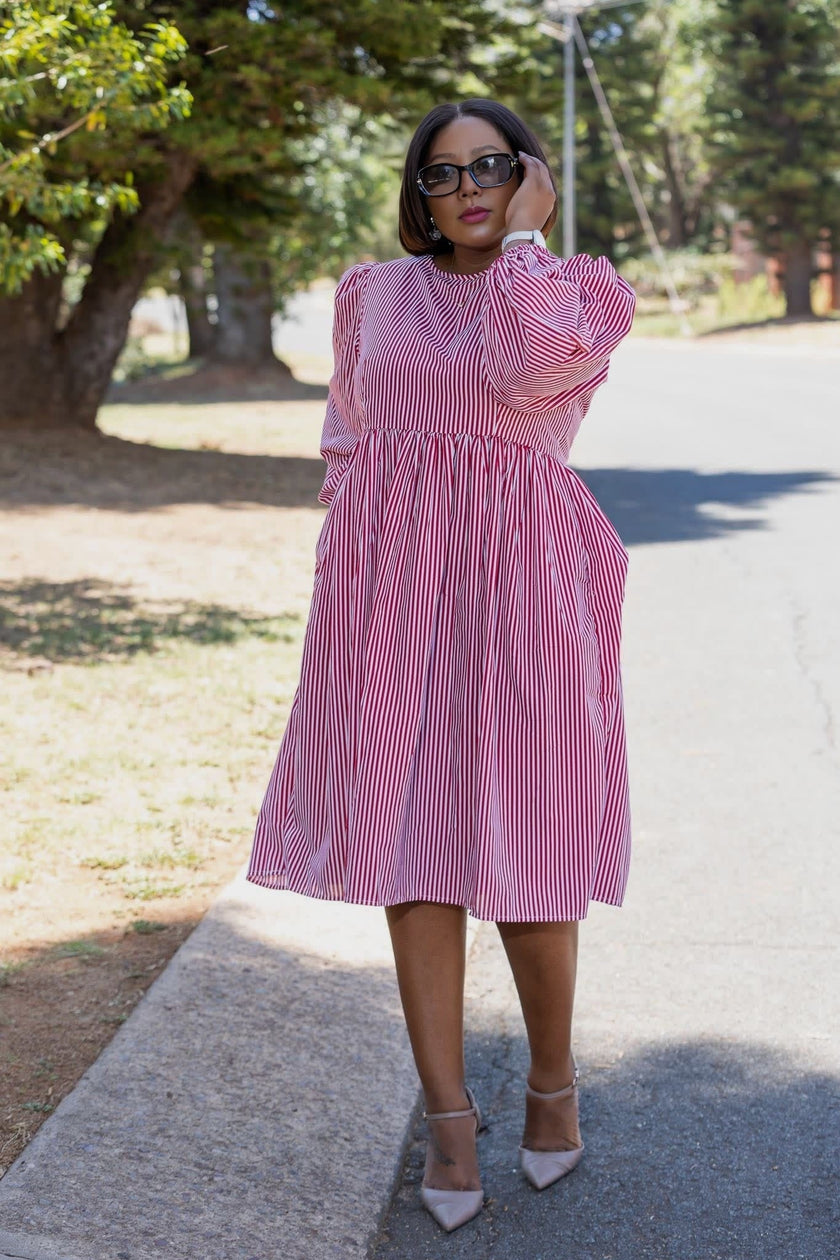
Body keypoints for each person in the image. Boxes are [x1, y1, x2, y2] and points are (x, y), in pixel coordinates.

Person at [246, 98, 636, 1233]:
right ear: (417, 191)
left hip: (526, 586)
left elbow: (529, 375)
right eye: (442, 173)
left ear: (529, 177)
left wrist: (526, 243)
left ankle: (553, 1089)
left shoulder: (580, 290)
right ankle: (449, 1119)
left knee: (531, 846)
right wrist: (350, 563)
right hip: (390, 591)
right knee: (413, 848)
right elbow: (348, 434)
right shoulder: (371, 293)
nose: (466, 189)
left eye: (491, 167)